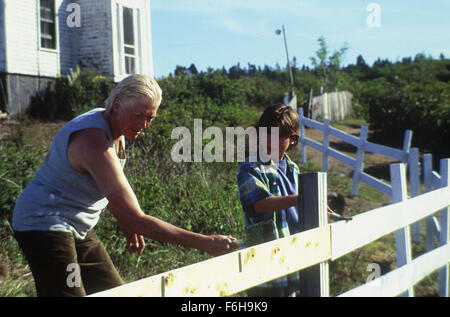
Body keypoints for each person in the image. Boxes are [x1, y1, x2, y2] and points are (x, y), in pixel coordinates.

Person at [12, 74, 237, 297]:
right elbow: (137, 218)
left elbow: (108, 187)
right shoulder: (94, 140)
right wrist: (205, 242)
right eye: (138, 115)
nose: (143, 125)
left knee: (115, 292)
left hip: (78, 224)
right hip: (43, 222)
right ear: (117, 104)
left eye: (150, 118)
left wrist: (126, 221)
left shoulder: (115, 129)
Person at [237, 104, 301, 297]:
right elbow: (260, 204)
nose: (272, 140)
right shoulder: (250, 167)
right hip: (266, 255)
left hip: (295, 251)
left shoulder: (293, 169)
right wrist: (302, 198)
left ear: (292, 140)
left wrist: (314, 203)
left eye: (280, 135)